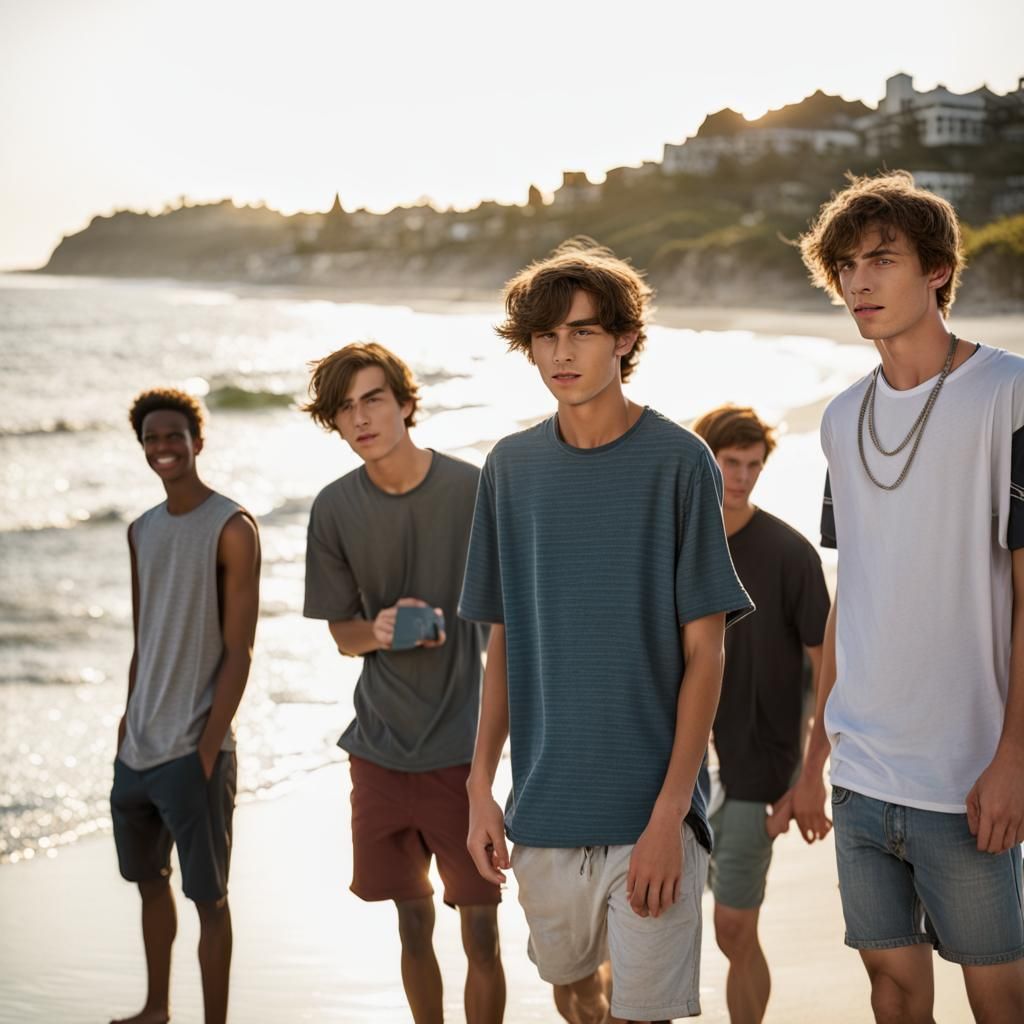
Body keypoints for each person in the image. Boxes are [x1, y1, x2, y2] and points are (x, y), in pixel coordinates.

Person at [459, 240, 753, 1024]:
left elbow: (707, 651)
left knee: (642, 1013)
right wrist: (479, 786)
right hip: (545, 808)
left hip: (649, 813)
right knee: (571, 991)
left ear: (623, 339)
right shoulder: (510, 470)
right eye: (546, 337)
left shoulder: (680, 463)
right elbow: (505, 647)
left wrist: (668, 816)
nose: (563, 353)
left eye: (582, 332)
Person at [788, 170, 1024, 1023]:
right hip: (861, 769)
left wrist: (1014, 758)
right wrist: (817, 755)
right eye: (845, 267)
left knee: (1000, 996)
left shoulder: (1008, 392)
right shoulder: (840, 417)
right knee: (890, 990)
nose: (858, 283)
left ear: (937, 270)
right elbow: (854, 588)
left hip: (966, 776)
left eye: (881, 259)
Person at [302, 342, 505, 1024]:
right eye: (345, 408)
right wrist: (380, 629)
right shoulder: (332, 509)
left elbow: (511, 616)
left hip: (460, 751)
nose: (360, 418)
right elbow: (342, 633)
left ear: (406, 403)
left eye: (373, 399)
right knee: (411, 922)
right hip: (380, 749)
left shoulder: (472, 489)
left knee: (481, 927)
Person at [110, 388, 261, 1024]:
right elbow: (145, 637)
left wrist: (206, 747)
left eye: (174, 436)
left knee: (210, 898)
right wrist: (125, 725)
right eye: (151, 439)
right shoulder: (141, 530)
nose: (163, 448)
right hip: (138, 748)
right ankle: (156, 1008)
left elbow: (240, 650)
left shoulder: (231, 526)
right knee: (149, 884)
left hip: (195, 749)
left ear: (198, 442)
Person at [691, 404, 830, 1024]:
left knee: (732, 930)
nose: (742, 476)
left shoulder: (789, 552)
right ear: (706, 461)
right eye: (729, 463)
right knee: (645, 921)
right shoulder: (673, 545)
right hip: (673, 772)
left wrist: (809, 776)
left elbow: (829, 666)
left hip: (756, 773)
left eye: (753, 465)